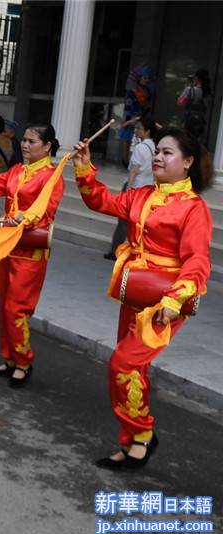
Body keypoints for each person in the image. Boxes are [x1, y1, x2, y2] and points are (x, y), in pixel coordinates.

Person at [72, 125, 213, 471]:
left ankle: (144, 434)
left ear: (188, 162)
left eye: (167, 152)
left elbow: (197, 261)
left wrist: (173, 302)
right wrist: (84, 167)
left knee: (123, 364)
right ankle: (131, 441)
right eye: (157, 151)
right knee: (134, 369)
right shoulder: (143, 194)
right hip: (136, 290)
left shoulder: (194, 208)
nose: (158, 157)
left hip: (165, 302)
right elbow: (101, 201)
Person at [0, 123, 67, 386]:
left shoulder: (52, 177)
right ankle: (9, 358)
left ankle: (23, 362)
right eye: (24, 140)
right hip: (9, 246)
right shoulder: (16, 171)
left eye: (32, 141)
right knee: (4, 307)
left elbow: (47, 211)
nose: (25, 145)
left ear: (47, 146)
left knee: (16, 309)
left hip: (30, 253)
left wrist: (24, 217)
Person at [104, 116, 158, 259]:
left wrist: (127, 191)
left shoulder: (140, 148)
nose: (136, 130)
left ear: (147, 131)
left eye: (139, 128)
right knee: (139, 222)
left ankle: (115, 251)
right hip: (147, 188)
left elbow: (134, 170)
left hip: (135, 187)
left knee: (123, 221)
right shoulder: (154, 147)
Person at [118, 66, 152, 166]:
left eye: (148, 78)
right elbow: (128, 104)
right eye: (145, 78)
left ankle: (133, 161)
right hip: (132, 116)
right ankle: (126, 159)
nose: (146, 80)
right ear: (140, 78)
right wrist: (125, 118)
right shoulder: (133, 91)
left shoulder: (148, 91)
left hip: (142, 118)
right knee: (127, 139)